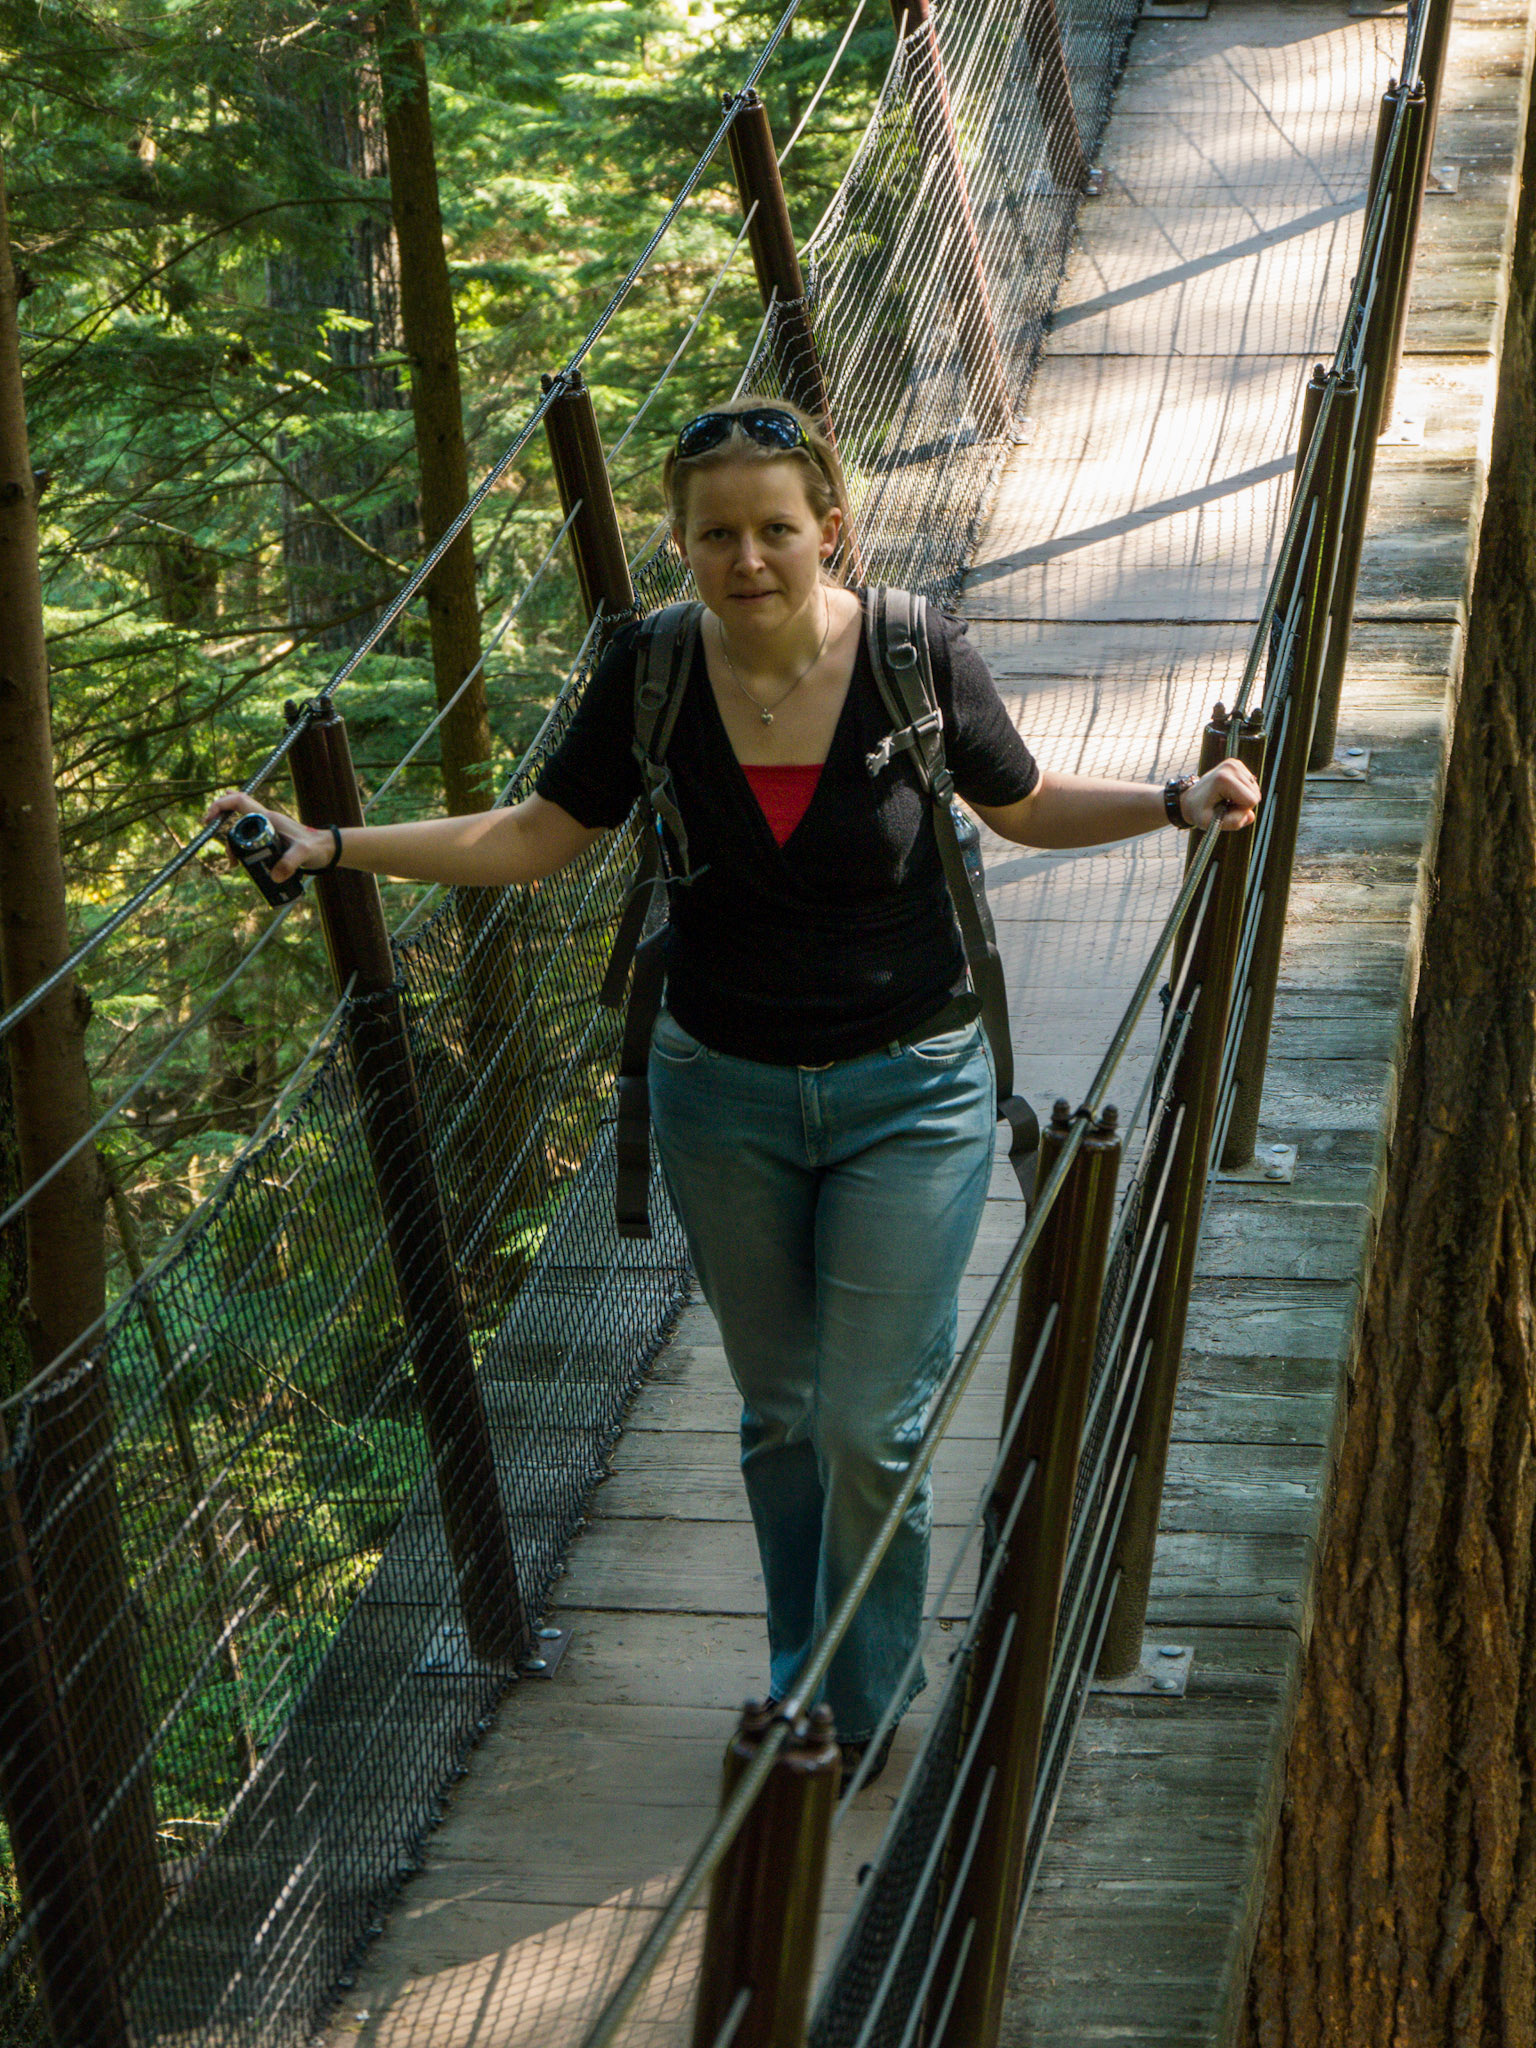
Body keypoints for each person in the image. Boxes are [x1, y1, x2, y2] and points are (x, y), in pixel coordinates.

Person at [207, 396, 1259, 1782]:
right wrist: (332, 846)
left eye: (775, 527)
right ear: (681, 544)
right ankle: (797, 1676)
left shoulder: (909, 652)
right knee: (779, 1414)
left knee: (865, 1420)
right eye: (717, 533)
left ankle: (862, 1703)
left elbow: (1022, 802)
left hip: (912, 1084)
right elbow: (536, 835)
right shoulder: (650, 671)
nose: (748, 556)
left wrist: (1175, 802)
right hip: (723, 1094)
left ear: (831, 529)